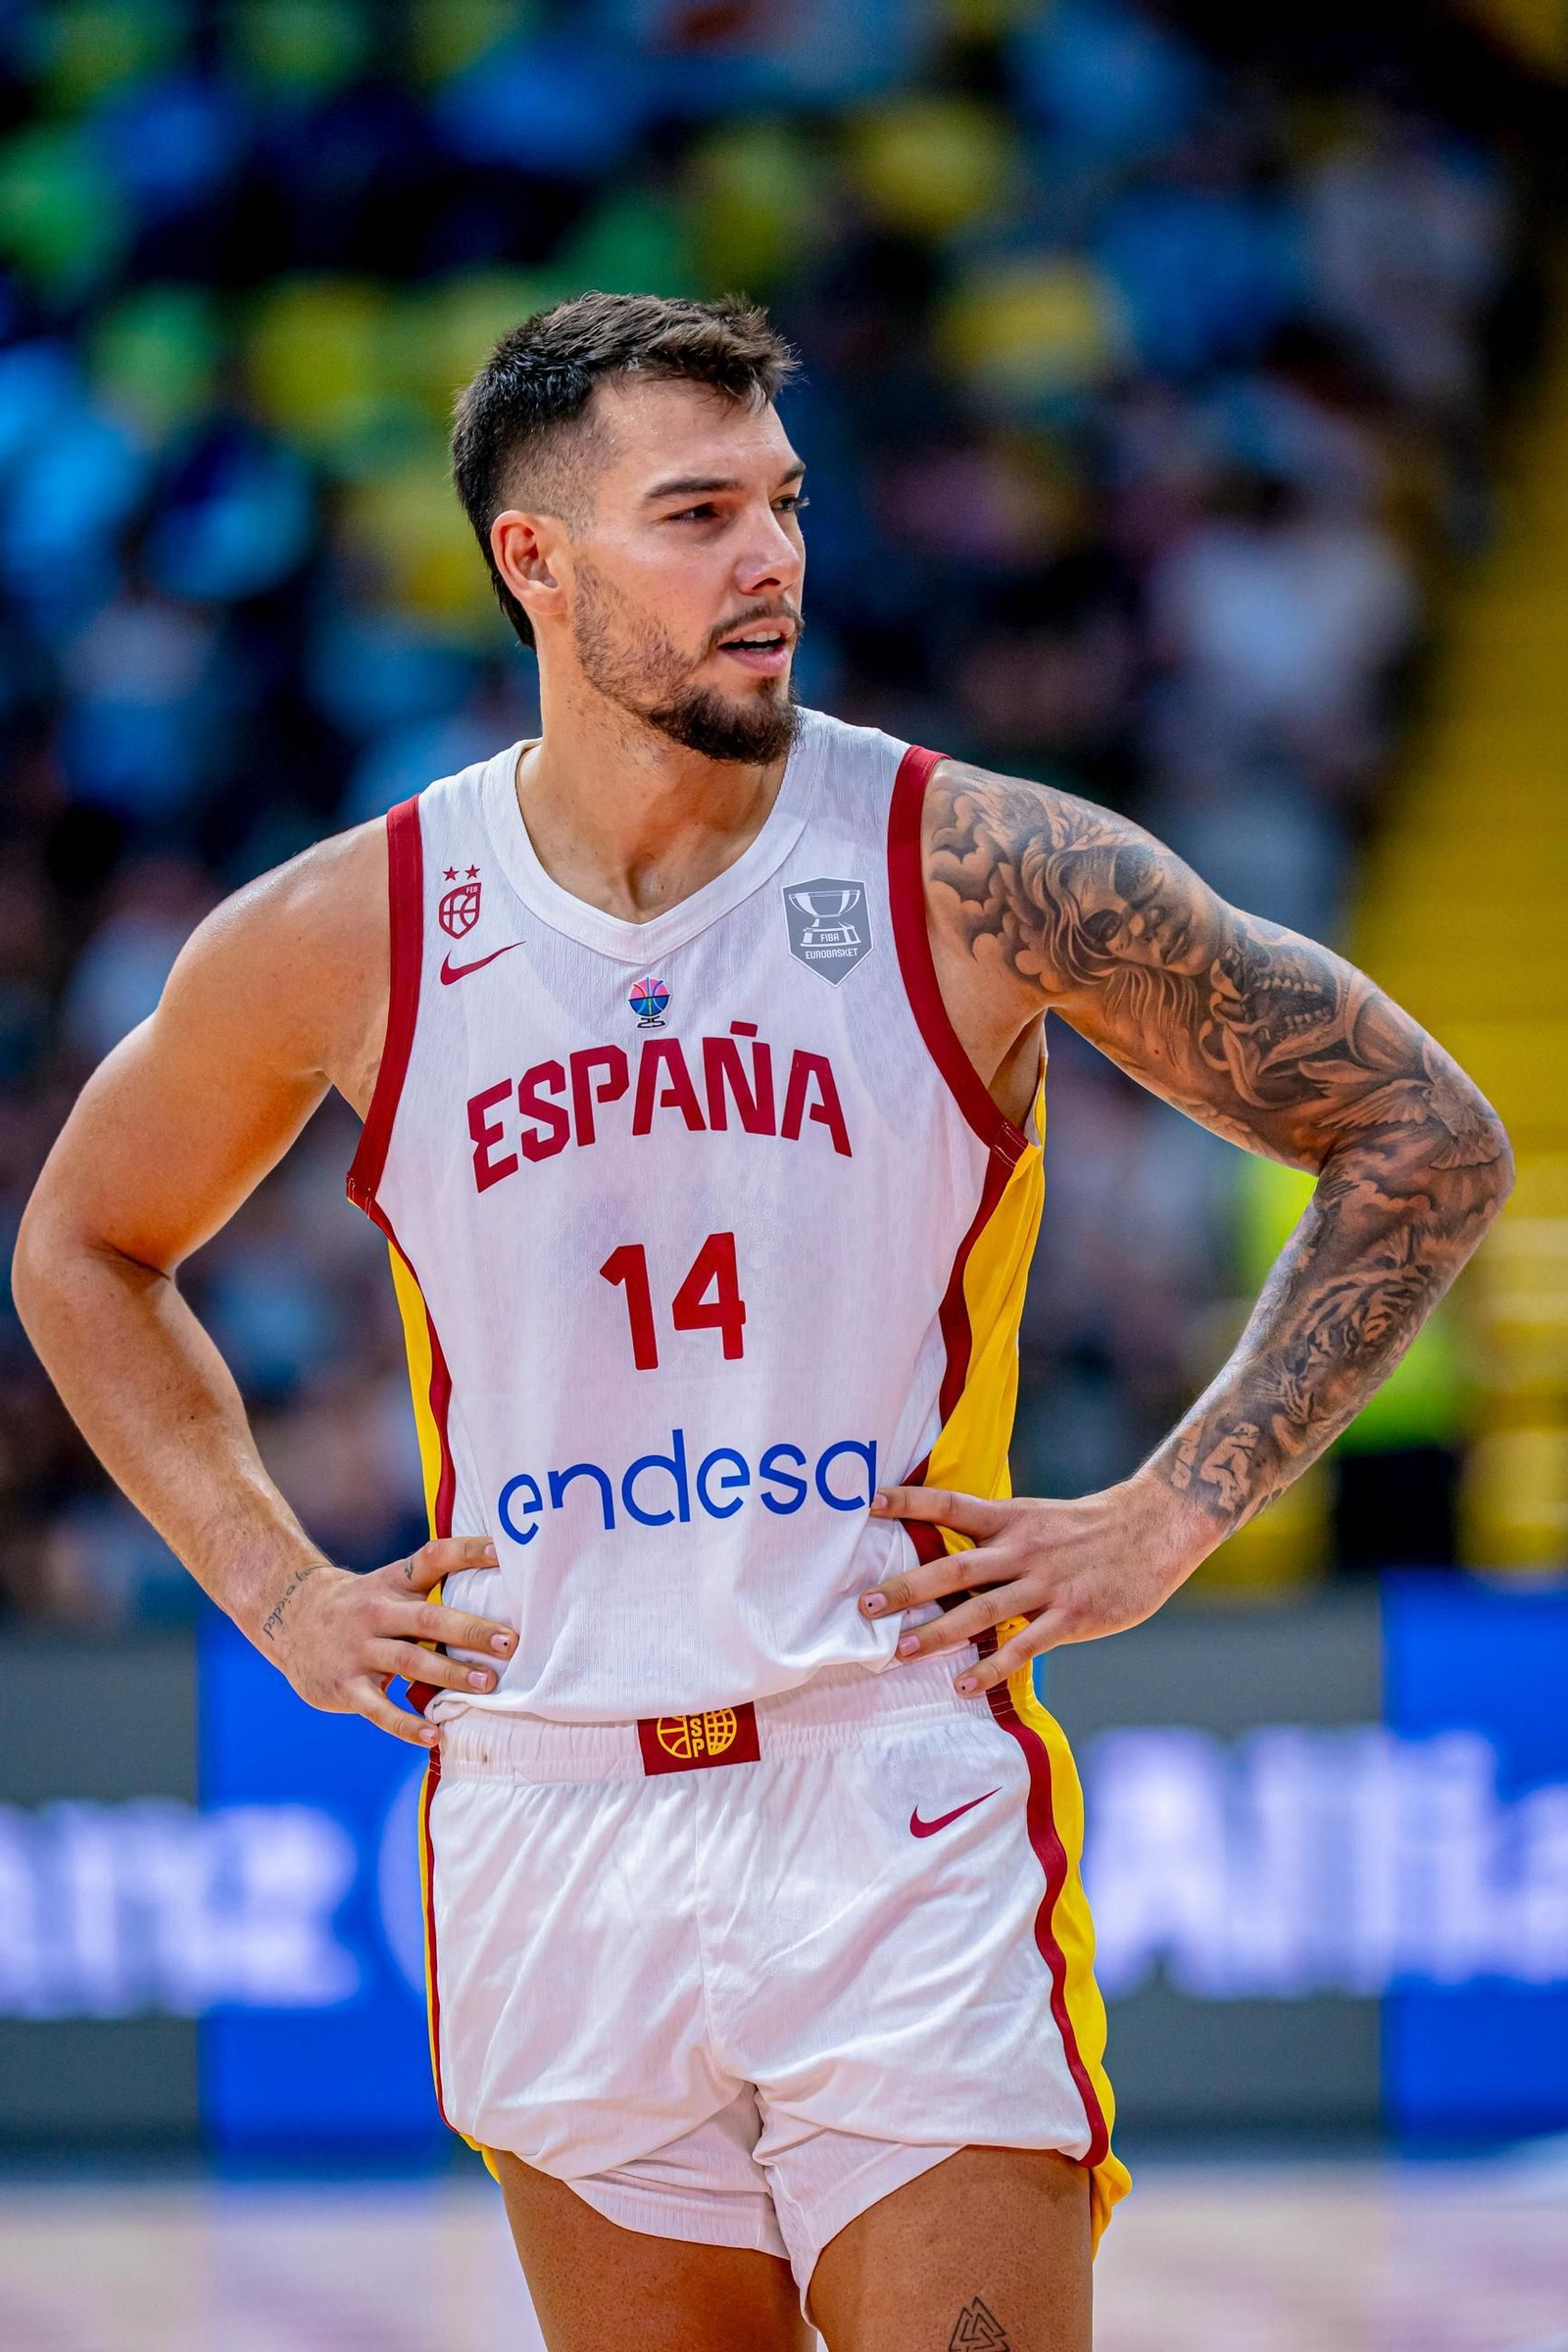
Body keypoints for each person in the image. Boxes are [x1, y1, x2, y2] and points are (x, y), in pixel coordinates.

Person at [14, 294, 1511, 2352]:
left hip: (881, 1786)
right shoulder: (350, 927)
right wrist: (272, 1588)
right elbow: (82, 1247)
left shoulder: (972, 863)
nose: (770, 561)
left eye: (782, 506)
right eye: (696, 513)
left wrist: (1171, 1510)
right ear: (533, 562)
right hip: (544, 1806)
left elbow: (1421, 1135)